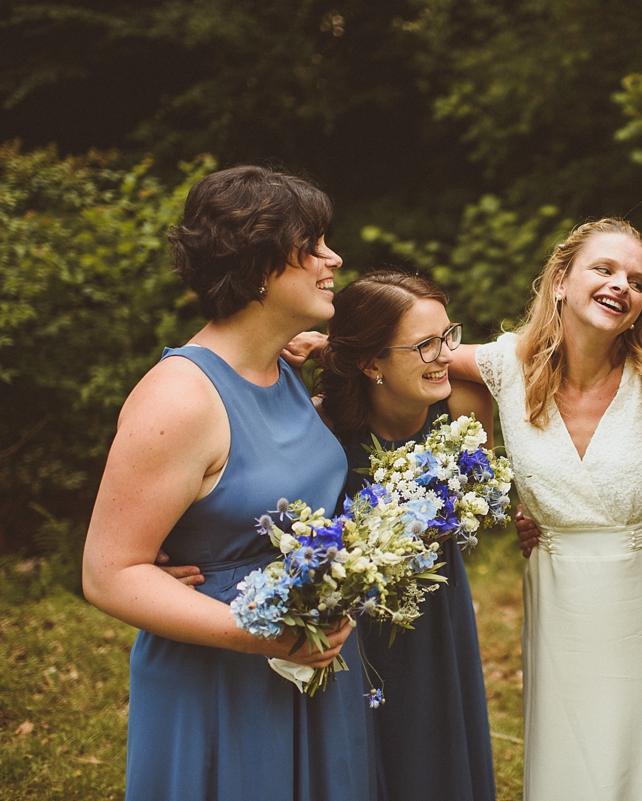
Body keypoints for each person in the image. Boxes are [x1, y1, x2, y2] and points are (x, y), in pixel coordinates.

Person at [81, 165, 373, 801]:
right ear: (262, 266)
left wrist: (321, 350)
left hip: (308, 655)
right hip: (220, 675)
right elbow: (108, 572)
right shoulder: (179, 399)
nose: (334, 258)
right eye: (314, 245)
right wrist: (269, 634)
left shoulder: (279, 365)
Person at [451, 218, 642, 801]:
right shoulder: (507, 365)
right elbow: (418, 353)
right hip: (559, 594)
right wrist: (324, 345)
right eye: (604, 269)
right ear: (561, 282)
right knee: (574, 758)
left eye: (637, 281)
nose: (622, 285)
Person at [316, 270, 497, 801]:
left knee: (436, 745)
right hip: (352, 622)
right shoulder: (322, 431)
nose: (444, 355)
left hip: (438, 607)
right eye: (424, 345)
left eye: (448, 336)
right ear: (370, 363)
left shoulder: (463, 407)